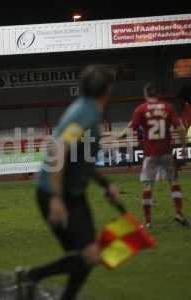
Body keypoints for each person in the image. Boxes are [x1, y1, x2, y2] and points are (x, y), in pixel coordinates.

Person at [15, 65, 126, 300]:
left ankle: (33, 277)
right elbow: (58, 151)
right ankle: (31, 275)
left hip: (72, 194)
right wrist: (55, 198)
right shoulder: (84, 115)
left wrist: (106, 185)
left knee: (90, 257)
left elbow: (81, 160)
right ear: (108, 90)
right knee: (90, 256)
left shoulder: (86, 111)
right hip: (58, 194)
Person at [120, 82, 189, 228]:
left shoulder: (141, 109)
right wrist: (183, 147)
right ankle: (179, 213)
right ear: (158, 95)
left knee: (148, 186)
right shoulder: (168, 108)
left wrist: (119, 136)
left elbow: (129, 128)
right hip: (166, 152)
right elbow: (181, 128)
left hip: (150, 154)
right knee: (174, 182)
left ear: (145, 95)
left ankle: (148, 221)